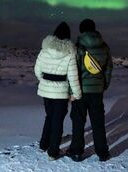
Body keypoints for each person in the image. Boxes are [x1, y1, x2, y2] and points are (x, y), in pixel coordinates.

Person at [67, 19, 113, 162]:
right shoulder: (104, 47)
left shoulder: (78, 46)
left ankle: (76, 151)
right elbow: (108, 69)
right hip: (97, 91)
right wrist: (103, 85)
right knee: (98, 121)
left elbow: (73, 71)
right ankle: (103, 153)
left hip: (80, 91)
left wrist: (71, 91)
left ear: (82, 30)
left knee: (78, 121)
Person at [34, 22, 82, 160]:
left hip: (46, 91)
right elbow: (73, 76)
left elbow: (37, 70)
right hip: (61, 92)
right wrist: (77, 94)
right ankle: (53, 152)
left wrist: (44, 80)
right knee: (57, 120)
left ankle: (44, 144)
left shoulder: (45, 50)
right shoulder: (70, 53)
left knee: (49, 116)